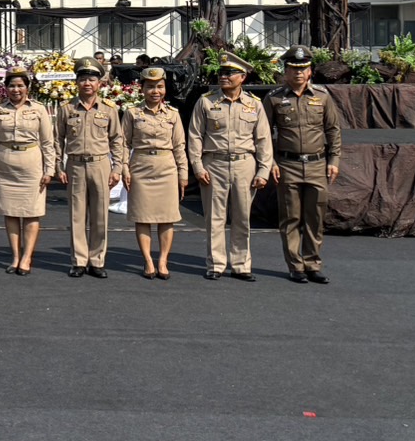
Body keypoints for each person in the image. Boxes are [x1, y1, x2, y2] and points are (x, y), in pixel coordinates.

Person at [187, 52, 273, 281]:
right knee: (214, 218)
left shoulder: (254, 104)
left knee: (242, 217)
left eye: (229, 73)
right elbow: (195, 136)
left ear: (242, 77)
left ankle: (241, 265)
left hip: (244, 164)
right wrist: (197, 166)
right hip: (213, 164)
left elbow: (263, 139)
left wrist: (264, 170)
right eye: (221, 73)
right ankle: (215, 263)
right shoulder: (206, 101)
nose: (223, 77)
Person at [263, 45, 341, 284]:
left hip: (317, 164)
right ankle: (295, 265)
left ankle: (312, 263)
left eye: (303, 68)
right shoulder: (275, 98)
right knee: (291, 217)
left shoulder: (323, 97)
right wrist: (271, 162)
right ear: (285, 72)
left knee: (315, 217)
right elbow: (264, 134)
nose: (298, 73)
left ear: (310, 71)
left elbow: (333, 130)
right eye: (293, 69)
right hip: (288, 165)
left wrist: (334, 160)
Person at [56, 57, 125, 278]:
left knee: (100, 216)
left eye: (92, 79)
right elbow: (58, 139)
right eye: (83, 78)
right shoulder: (67, 109)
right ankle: (78, 260)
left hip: (100, 165)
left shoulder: (109, 109)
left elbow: (117, 140)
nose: (87, 83)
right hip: (75, 165)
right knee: (77, 215)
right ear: (77, 82)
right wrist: (59, 166)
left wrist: (117, 169)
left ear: (99, 83)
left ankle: (97, 260)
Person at [122, 67, 188, 280]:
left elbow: (179, 146)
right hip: (140, 166)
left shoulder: (173, 114)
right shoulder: (132, 113)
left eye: (159, 86)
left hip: (166, 167)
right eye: (150, 87)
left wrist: (183, 173)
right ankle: (148, 260)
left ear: (165, 89)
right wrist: (124, 168)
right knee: (142, 217)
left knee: (166, 218)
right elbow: (123, 143)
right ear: (142, 89)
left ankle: (163, 261)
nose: (155, 91)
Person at [0, 66, 56, 275]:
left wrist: (50, 169)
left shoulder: (38, 109)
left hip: (31, 165)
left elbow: (47, 142)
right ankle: (15, 257)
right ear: (5, 88)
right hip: (5, 165)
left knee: (31, 213)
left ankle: (27, 257)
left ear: (27, 88)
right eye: (11, 85)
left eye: (20, 85)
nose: (16, 90)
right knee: (9, 213)